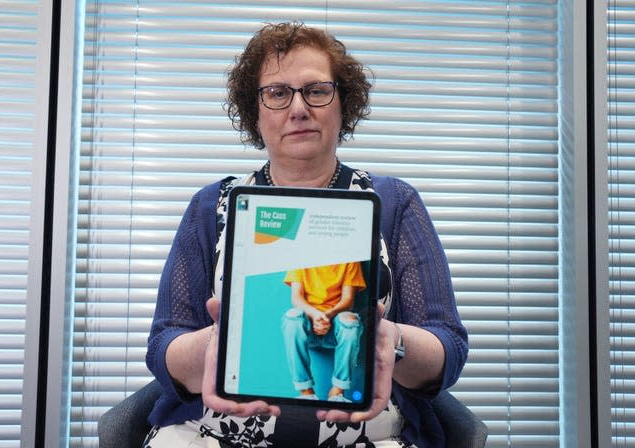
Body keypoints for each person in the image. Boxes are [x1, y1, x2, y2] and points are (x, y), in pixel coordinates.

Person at [145, 21, 468, 448]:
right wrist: (219, 344)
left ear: (342, 104)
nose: (298, 108)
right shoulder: (211, 207)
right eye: (277, 93)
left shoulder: (395, 202)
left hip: (369, 437)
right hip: (215, 434)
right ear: (254, 111)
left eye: (316, 91)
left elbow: (448, 343)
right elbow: (163, 344)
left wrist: (393, 340)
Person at [282, 262, 366, 402]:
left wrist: (328, 315)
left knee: (350, 320)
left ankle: (337, 392)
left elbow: (348, 300)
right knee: (292, 317)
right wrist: (315, 315)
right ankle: (306, 392)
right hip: (308, 327)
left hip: (335, 328)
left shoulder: (351, 259)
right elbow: (296, 298)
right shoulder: (299, 256)